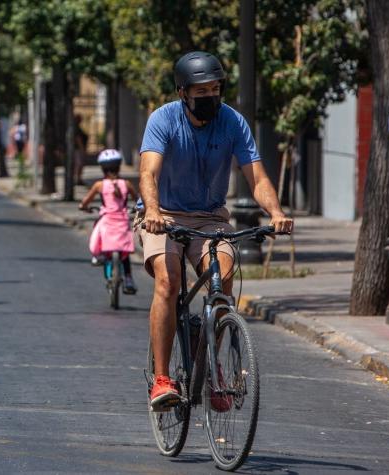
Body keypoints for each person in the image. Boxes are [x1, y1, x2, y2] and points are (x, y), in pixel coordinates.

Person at [138, 51, 294, 411]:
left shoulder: (233, 122)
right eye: (202, 91)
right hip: (164, 215)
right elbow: (148, 173)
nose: (211, 97)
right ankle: (162, 379)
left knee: (221, 284)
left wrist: (275, 211)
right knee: (168, 281)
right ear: (183, 93)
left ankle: (211, 369)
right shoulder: (163, 119)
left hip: (211, 219)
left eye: (216, 89)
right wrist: (151, 211)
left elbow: (254, 174)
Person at [79, 149, 138, 295]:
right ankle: (129, 279)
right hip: (123, 222)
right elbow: (139, 202)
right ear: (119, 167)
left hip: (107, 221)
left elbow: (85, 202)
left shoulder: (99, 185)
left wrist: (83, 207)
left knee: (98, 233)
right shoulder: (127, 184)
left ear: (102, 168)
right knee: (124, 253)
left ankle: (98, 255)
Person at [74, 114, 88, 186]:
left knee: (79, 165)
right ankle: (78, 179)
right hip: (78, 150)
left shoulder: (77, 128)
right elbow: (78, 139)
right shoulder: (76, 129)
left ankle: (78, 179)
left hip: (78, 149)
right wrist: (82, 149)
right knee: (79, 164)